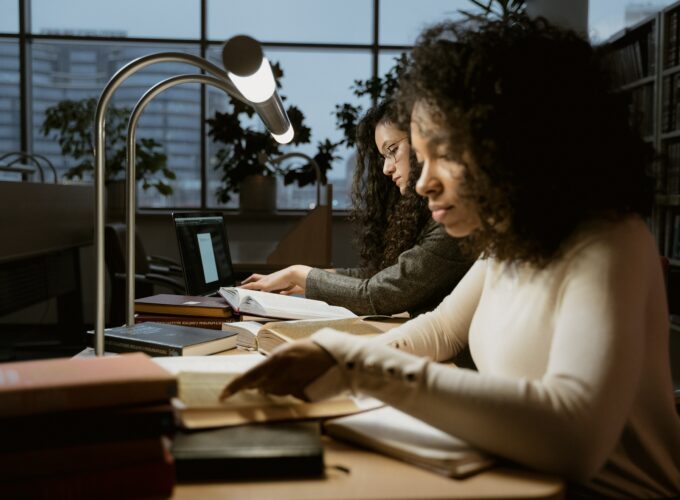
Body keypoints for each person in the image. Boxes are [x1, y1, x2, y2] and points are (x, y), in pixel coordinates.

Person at [222, 15, 680, 498]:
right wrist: (321, 357)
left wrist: (353, 364)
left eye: (442, 153)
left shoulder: (609, 242)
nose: (422, 181)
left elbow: (574, 437)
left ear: (512, 140)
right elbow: (440, 329)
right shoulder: (508, 242)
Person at [239, 99, 473, 317]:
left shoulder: (454, 224)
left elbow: (380, 293)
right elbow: (382, 277)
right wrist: (306, 278)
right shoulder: (433, 215)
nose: (386, 169)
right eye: (383, 156)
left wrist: (299, 274)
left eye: (392, 150)